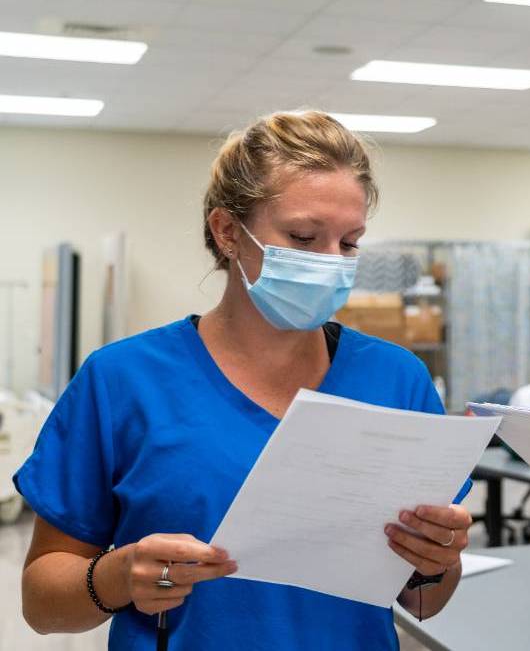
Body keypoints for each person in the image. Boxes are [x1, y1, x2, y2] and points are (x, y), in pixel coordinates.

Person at [16, 111, 471, 650]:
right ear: (227, 231)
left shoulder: (397, 379)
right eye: (303, 237)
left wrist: (436, 562)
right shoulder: (123, 381)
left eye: (349, 243)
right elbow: (42, 605)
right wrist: (118, 576)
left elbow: (423, 602)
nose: (331, 263)